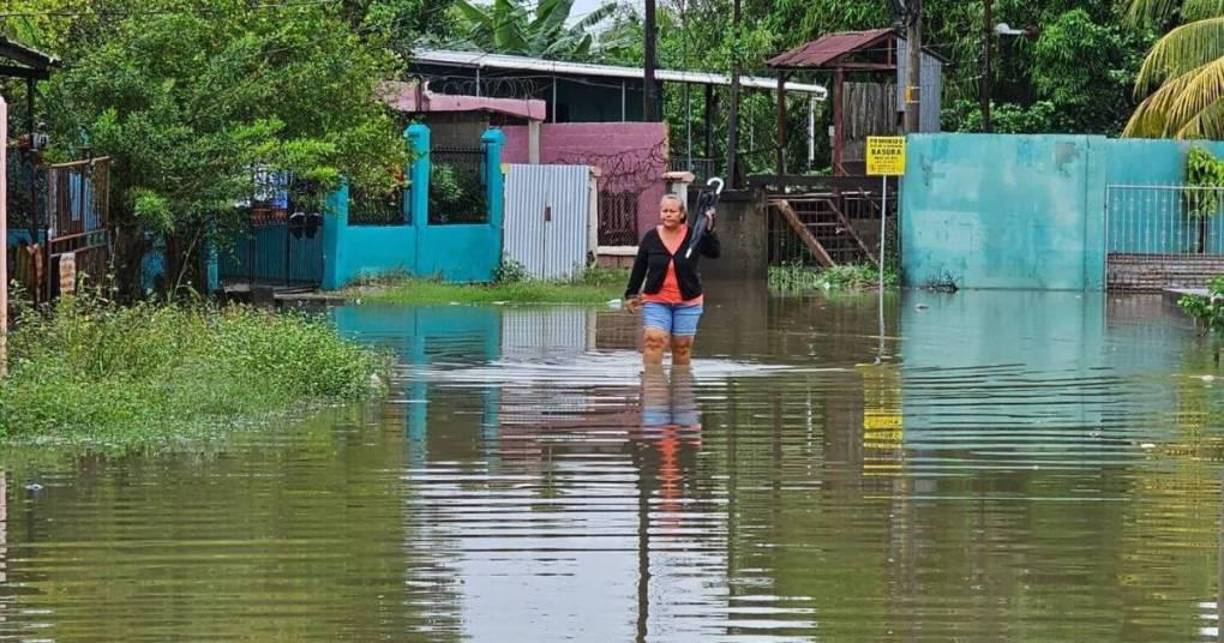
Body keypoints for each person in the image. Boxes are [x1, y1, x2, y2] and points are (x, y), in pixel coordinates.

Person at [624, 194, 720, 366]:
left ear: (682, 214)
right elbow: (640, 267)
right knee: (654, 341)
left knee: (682, 347)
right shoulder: (651, 237)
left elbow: (714, 252)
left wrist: (709, 230)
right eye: (664, 211)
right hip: (656, 300)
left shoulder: (694, 235)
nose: (668, 214)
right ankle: (653, 386)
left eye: (672, 211)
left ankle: (681, 386)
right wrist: (631, 294)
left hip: (688, 301)